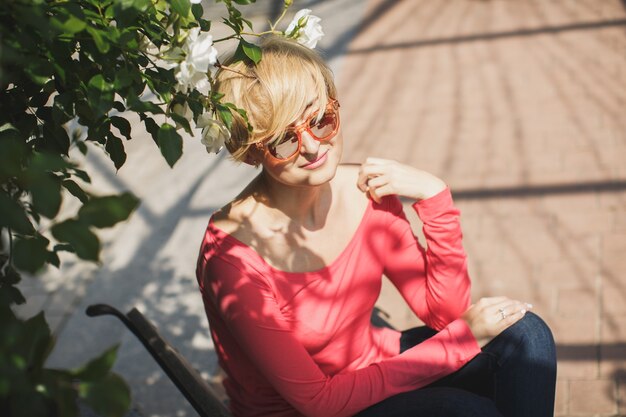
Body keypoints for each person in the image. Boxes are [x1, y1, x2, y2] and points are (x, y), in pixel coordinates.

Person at [195, 36, 556, 417]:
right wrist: (458, 343)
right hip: (307, 410)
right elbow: (320, 402)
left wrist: (434, 197)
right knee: (466, 412)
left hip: (370, 367)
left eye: (321, 121)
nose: (314, 147)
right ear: (252, 151)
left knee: (526, 336)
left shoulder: (365, 192)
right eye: (284, 140)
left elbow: (444, 313)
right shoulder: (231, 260)